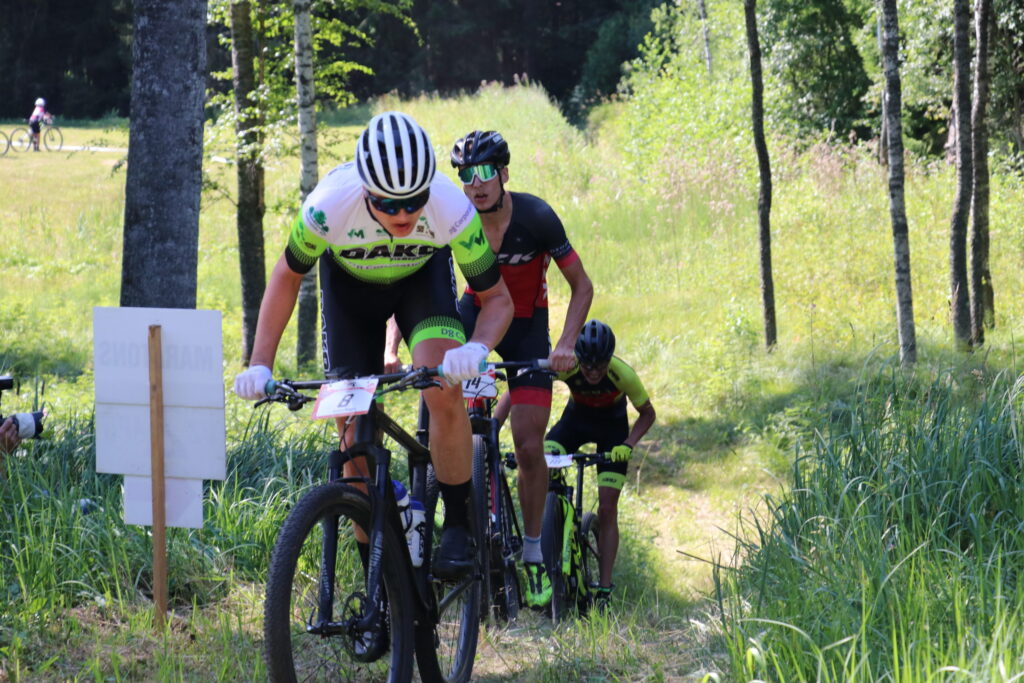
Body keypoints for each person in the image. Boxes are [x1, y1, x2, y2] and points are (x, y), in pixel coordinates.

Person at [234, 111, 513, 579]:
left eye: (414, 202)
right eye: (388, 204)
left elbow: (498, 299)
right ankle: (377, 585)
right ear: (365, 191)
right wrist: (260, 363)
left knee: (442, 387)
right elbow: (286, 277)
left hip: (420, 284)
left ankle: (458, 523)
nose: (403, 215)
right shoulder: (328, 205)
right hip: (350, 294)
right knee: (353, 438)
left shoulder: (450, 205)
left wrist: (478, 347)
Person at [450, 130, 593, 608]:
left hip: (528, 328)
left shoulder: (536, 217)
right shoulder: (455, 217)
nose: (475, 183)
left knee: (529, 447)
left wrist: (567, 343)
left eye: (484, 172)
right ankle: (450, 528)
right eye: (466, 175)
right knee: (445, 412)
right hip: (476, 316)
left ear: (504, 174)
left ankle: (532, 553)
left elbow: (582, 286)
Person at [544, 320, 656, 611]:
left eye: (600, 366)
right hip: (574, 424)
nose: (593, 373)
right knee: (543, 461)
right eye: (587, 366)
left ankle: (604, 590)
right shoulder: (567, 366)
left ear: (610, 359)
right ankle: (554, 525)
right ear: (578, 359)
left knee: (607, 508)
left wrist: (628, 444)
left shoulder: (623, 374)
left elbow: (647, 414)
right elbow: (530, 386)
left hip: (612, 431)